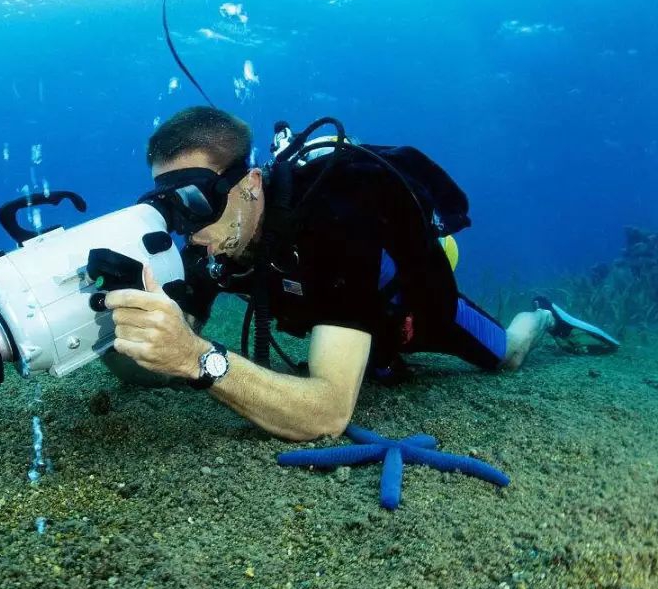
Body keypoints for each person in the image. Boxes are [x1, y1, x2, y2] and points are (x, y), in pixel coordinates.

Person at [103, 107, 617, 441]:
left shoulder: (337, 214)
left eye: (195, 200)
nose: (188, 229)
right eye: (170, 208)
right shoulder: (212, 238)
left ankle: (543, 315)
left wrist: (197, 359)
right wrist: (108, 324)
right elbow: (150, 362)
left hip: (406, 309)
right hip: (337, 316)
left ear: (250, 183)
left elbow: (326, 413)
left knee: (507, 355)